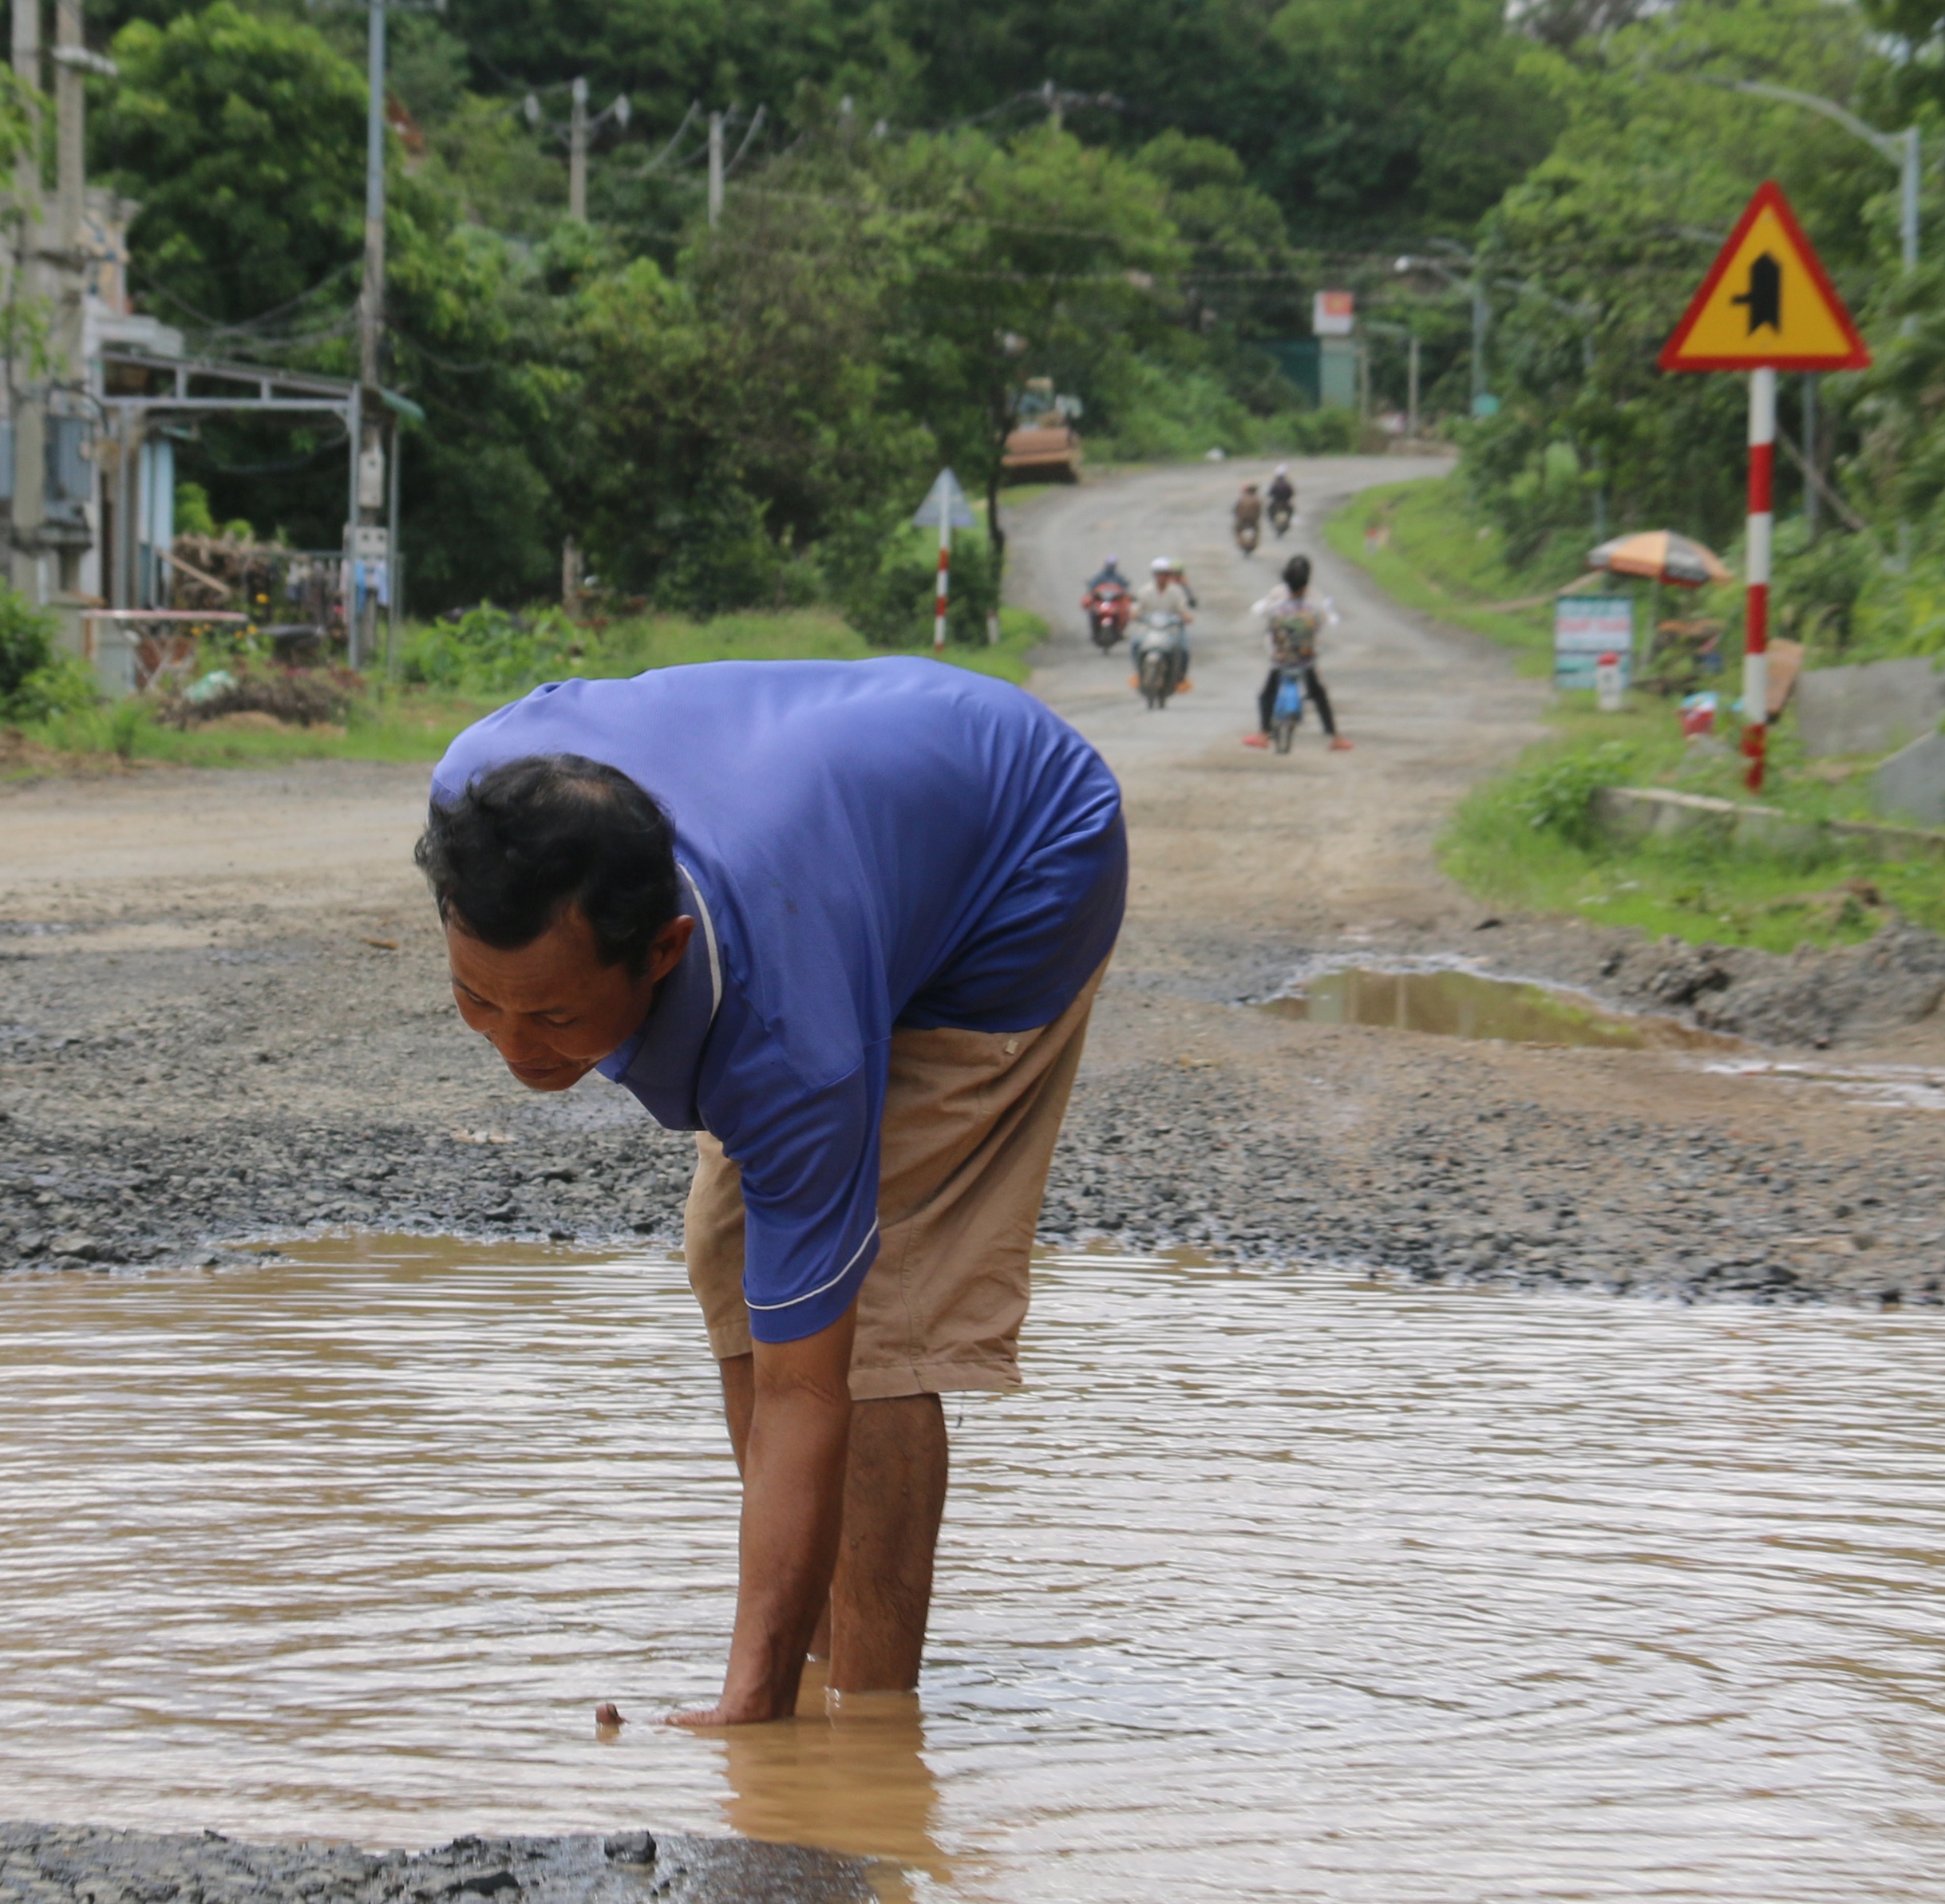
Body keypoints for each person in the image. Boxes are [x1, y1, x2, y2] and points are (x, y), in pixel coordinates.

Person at [418, 665, 1127, 1726]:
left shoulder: (798, 1045)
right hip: (836, 837)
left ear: (665, 950)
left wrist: (745, 1723)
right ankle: (804, 1648)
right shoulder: (481, 794)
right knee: (732, 1254)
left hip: (1020, 855)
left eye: (556, 1019)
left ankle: (865, 1717)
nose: (515, 1051)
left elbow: (807, 1388)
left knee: (874, 1319)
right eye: (477, 999)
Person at [1251, 551, 1349, 749]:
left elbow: (1265, 618)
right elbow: (1323, 621)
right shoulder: (1314, 602)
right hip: (1306, 661)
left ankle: (1263, 733)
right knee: (1319, 694)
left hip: (1280, 660)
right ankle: (1335, 737)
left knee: (1266, 694)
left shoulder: (1277, 602)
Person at [1137, 555, 1200, 690]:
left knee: (1183, 649)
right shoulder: (1145, 591)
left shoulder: (1177, 592)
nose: (1161, 578)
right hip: (1149, 630)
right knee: (1135, 644)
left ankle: (1180, 676)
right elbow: (1137, 608)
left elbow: (1183, 609)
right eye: (1158, 575)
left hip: (1171, 630)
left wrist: (1186, 616)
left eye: (1164, 575)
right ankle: (1139, 673)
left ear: (1169, 575)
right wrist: (1135, 614)